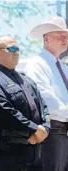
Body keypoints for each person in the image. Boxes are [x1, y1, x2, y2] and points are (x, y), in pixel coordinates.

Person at [0, 35, 50, 171]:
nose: (16, 52)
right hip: (8, 152)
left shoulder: (26, 80)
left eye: (17, 49)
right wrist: (35, 128)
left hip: (34, 149)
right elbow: (5, 111)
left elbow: (43, 107)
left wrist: (45, 128)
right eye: (11, 48)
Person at [25, 16, 68, 171]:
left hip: (63, 132)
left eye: (66, 37)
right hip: (53, 131)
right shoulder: (37, 63)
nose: (65, 40)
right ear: (46, 39)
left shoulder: (62, 67)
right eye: (60, 37)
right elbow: (46, 99)